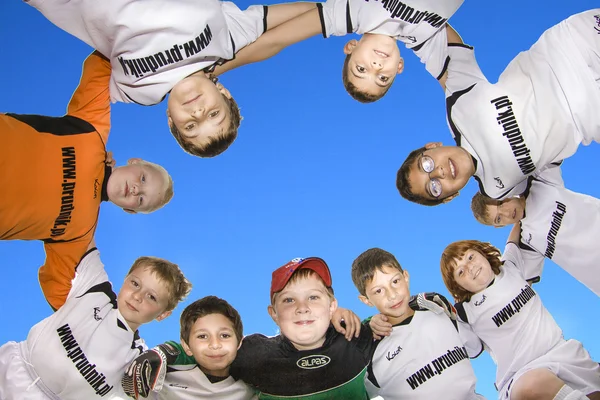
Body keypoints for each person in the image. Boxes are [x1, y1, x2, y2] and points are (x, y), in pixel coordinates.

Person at [25, 0, 319, 157]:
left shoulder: (137, 92)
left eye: (191, 125)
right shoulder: (225, 42)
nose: (199, 112)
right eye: (214, 113)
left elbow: (83, 118)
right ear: (225, 93)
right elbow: (299, 22)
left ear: (170, 119)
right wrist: (357, 17)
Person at [0, 51, 174, 311]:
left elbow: (57, 288)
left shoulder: (80, 233)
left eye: (140, 199)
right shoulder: (92, 131)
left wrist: (94, 330)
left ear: (129, 210)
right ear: (135, 162)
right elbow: (99, 63)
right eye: (143, 179)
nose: (136, 189)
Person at [396, 9, 600, 205]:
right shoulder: (498, 190)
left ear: (432, 146)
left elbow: (438, 42)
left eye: (427, 165)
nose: (438, 173)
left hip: (574, 51)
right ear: (449, 196)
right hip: (592, 119)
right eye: (434, 188)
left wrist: (388, 23)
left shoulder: (459, 109)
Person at [0, 240, 192, 399]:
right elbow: (82, 234)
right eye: (135, 284)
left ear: (163, 314)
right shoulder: (96, 289)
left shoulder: (136, 360)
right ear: (124, 279)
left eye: (152, 297)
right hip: (11, 367)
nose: (137, 296)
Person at [440, 237, 600, 400]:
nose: (470, 267)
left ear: (481, 252)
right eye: (460, 272)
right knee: (531, 386)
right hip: (521, 374)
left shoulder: (510, 266)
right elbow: (472, 349)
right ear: (458, 286)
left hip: (563, 353)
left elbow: (519, 227)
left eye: (470, 257)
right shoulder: (464, 312)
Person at [212, 0, 464, 103]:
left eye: (361, 69)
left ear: (351, 47)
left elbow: (276, 40)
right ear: (399, 67)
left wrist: (214, 69)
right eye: (382, 78)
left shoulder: (351, 13)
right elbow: (459, 93)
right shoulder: (426, 39)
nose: (376, 68)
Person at [351, 247, 484, 399]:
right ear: (366, 300)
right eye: (378, 291)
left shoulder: (436, 306)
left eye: (395, 281)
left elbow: (474, 347)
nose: (392, 295)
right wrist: (367, 327)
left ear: (405, 277)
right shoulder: (370, 350)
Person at [470, 164, 600, 296]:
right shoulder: (526, 241)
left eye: (501, 203)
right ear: (499, 226)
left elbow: (547, 149)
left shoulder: (538, 181)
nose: (507, 213)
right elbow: (517, 283)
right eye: (499, 218)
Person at [123, 295, 257, 399]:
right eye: (202, 336)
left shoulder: (253, 388)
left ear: (239, 342)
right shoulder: (162, 377)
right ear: (186, 346)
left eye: (225, 335)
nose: (215, 344)